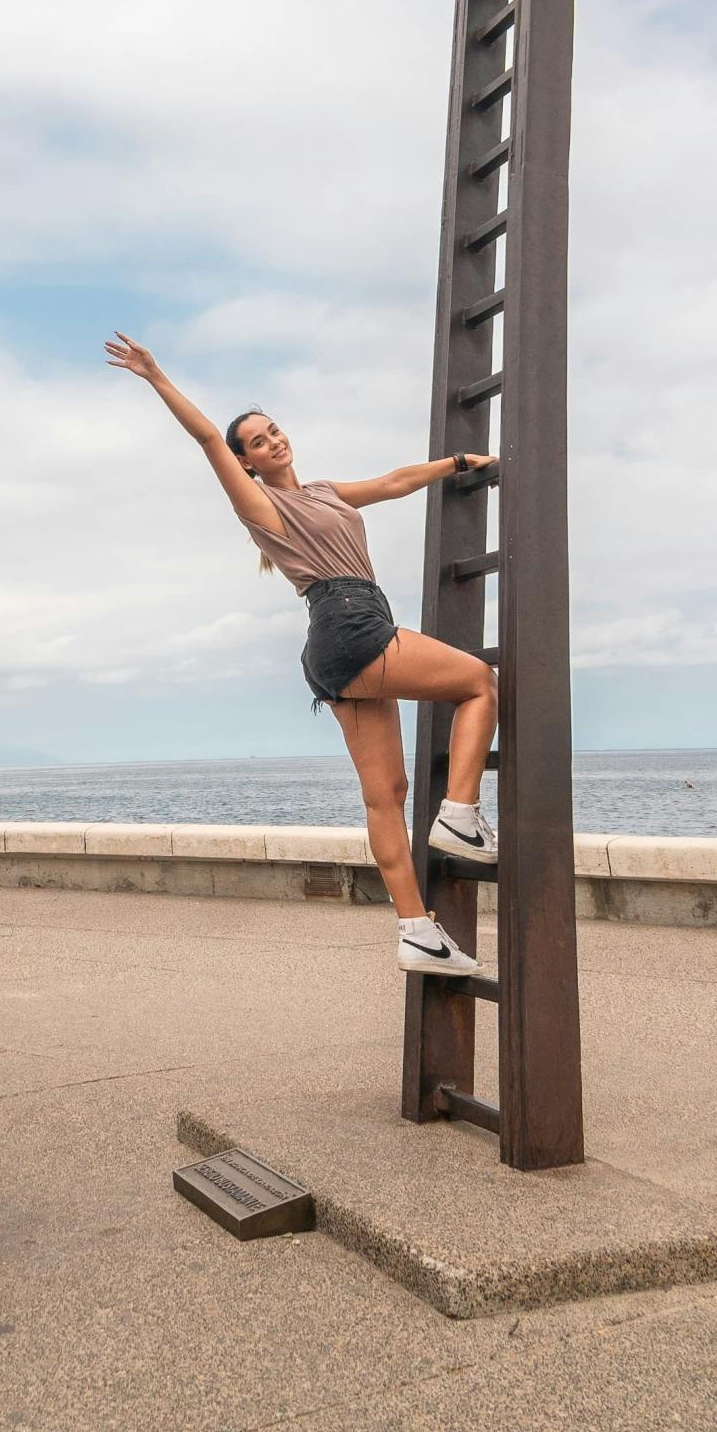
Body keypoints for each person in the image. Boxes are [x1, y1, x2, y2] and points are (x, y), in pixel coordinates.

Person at [105, 335, 497, 979]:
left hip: (333, 646)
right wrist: (155, 376)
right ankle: (460, 815)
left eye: (274, 431)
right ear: (247, 463)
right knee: (479, 682)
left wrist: (456, 463)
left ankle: (416, 931)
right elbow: (208, 440)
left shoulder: (325, 491)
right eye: (257, 442)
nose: (272, 442)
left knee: (386, 795)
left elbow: (394, 482)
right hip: (350, 622)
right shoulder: (262, 506)